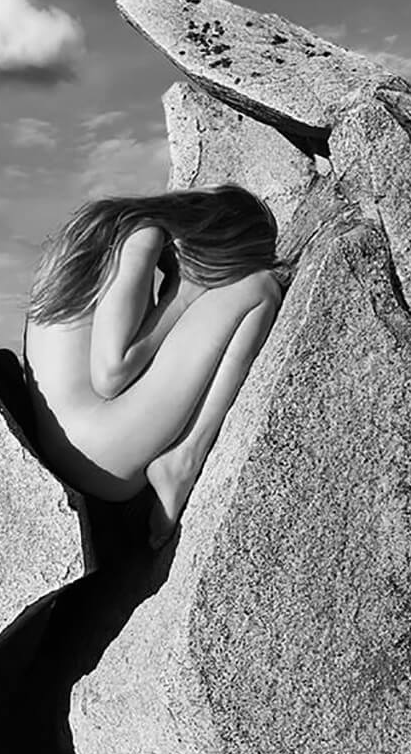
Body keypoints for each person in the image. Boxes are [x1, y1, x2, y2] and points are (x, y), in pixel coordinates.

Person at [22, 184, 285, 548]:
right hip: (100, 453)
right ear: (216, 245)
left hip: (71, 448)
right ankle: (182, 460)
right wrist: (183, 296)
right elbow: (111, 374)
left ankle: (177, 463)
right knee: (262, 287)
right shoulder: (142, 237)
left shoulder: (100, 226)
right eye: (225, 268)